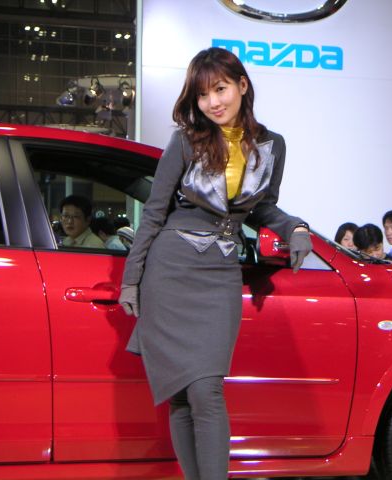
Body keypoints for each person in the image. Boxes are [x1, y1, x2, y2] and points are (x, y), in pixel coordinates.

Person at [118, 47, 312, 480]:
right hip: (171, 271)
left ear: (242, 85)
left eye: (220, 89)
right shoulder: (185, 141)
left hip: (220, 274)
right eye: (203, 95)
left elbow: (263, 208)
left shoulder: (272, 146)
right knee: (182, 395)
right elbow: (154, 212)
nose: (213, 102)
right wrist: (132, 280)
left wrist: (296, 227)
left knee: (206, 389)